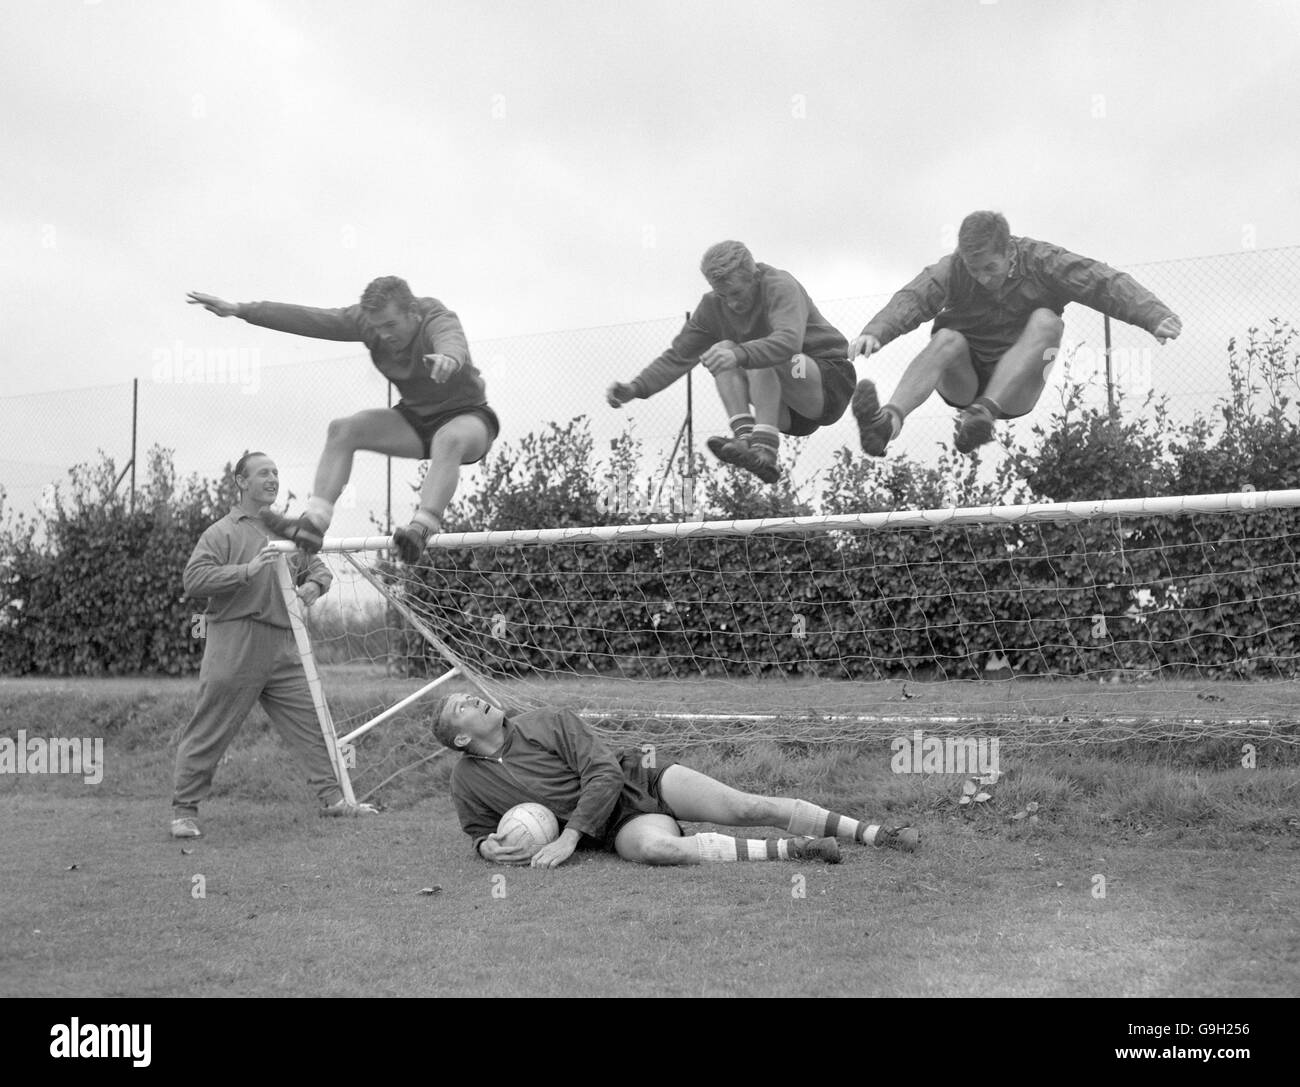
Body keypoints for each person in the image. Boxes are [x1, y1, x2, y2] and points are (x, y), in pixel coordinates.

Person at [186, 276, 499, 562]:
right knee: (343, 430)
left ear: (412, 312)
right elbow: (312, 320)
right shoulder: (368, 324)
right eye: (376, 327)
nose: (383, 335)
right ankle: (313, 523)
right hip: (416, 421)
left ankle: (421, 530)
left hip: (468, 418)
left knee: (450, 438)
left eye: (390, 324)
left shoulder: (435, 316)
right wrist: (241, 309)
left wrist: (449, 357)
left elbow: (450, 336)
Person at [431, 691, 919, 868]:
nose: (473, 700)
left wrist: (568, 839)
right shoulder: (467, 782)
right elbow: (477, 831)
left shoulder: (549, 719)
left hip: (639, 780)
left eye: (469, 696)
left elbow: (602, 772)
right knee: (660, 851)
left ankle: (878, 834)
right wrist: (486, 849)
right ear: (458, 741)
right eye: (461, 707)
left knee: (750, 808)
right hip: (615, 828)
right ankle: (798, 851)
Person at [848, 211, 1183, 457]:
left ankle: (984, 413)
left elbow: (1099, 281)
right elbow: (917, 296)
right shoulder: (954, 270)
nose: (981, 278)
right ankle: (886, 423)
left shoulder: (1043, 261)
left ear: (1009, 252)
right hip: (964, 380)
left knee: (1046, 321)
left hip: (1017, 390)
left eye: (989, 268)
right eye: (973, 269)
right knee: (946, 339)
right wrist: (878, 331)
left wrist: (1152, 314)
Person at [169, 451, 378, 839]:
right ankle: (185, 810)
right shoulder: (221, 532)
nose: (272, 479)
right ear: (241, 482)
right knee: (211, 727)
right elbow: (194, 580)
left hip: (285, 644)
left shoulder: (290, 531)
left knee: (315, 723)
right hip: (235, 641)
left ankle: (335, 799)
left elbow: (318, 568)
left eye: (276, 473)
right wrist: (244, 571)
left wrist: (314, 586)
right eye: (263, 473)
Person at [606, 241, 854, 485]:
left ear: (754, 276)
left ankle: (765, 449)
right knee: (722, 349)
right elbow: (678, 356)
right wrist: (636, 388)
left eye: (736, 293)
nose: (731, 303)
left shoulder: (780, 285)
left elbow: (789, 341)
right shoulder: (712, 307)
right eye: (723, 295)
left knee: (760, 351)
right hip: (788, 411)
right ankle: (746, 439)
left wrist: (740, 355)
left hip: (822, 378)